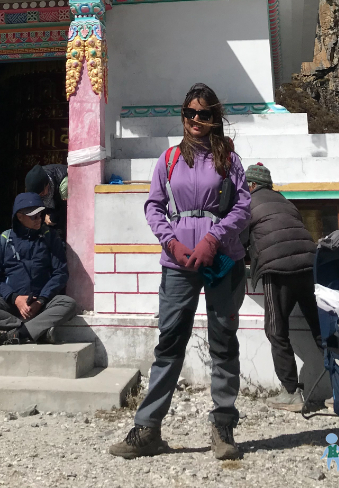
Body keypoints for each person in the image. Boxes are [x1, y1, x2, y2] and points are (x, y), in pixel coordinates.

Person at [110, 83, 251, 462]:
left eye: (204, 115)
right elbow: (154, 206)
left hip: (221, 259)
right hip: (178, 263)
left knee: (223, 341)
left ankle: (223, 425)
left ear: (215, 118)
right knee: (170, 342)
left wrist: (213, 239)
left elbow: (241, 207)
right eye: (190, 113)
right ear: (183, 114)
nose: (196, 121)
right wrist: (171, 242)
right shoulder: (169, 159)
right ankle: (148, 429)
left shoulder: (229, 160)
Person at [242, 162, 321, 412]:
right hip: (310, 266)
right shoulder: (287, 202)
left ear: (252, 185)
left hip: (278, 270)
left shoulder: (247, 203)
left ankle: (290, 392)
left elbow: (240, 238)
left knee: (276, 330)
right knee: (320, 327)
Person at [0, 192, 77, 345]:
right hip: (12, 304)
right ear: (20, 217)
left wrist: (41, 300)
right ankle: (36, 332)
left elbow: (60, 273)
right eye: (33, 216)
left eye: (40, 215)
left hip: (42, 303)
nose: (39, 219)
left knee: (69, 304)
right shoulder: (4, 240)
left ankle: (15, 334)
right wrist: (15, 298)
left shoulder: (50, 237)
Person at [25, 162, 68, 235]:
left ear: (47, 184)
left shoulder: (64, 185)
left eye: (41, 193)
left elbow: (68, 209)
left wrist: (53, 218)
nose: (41, 196)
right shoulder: (36, 180)